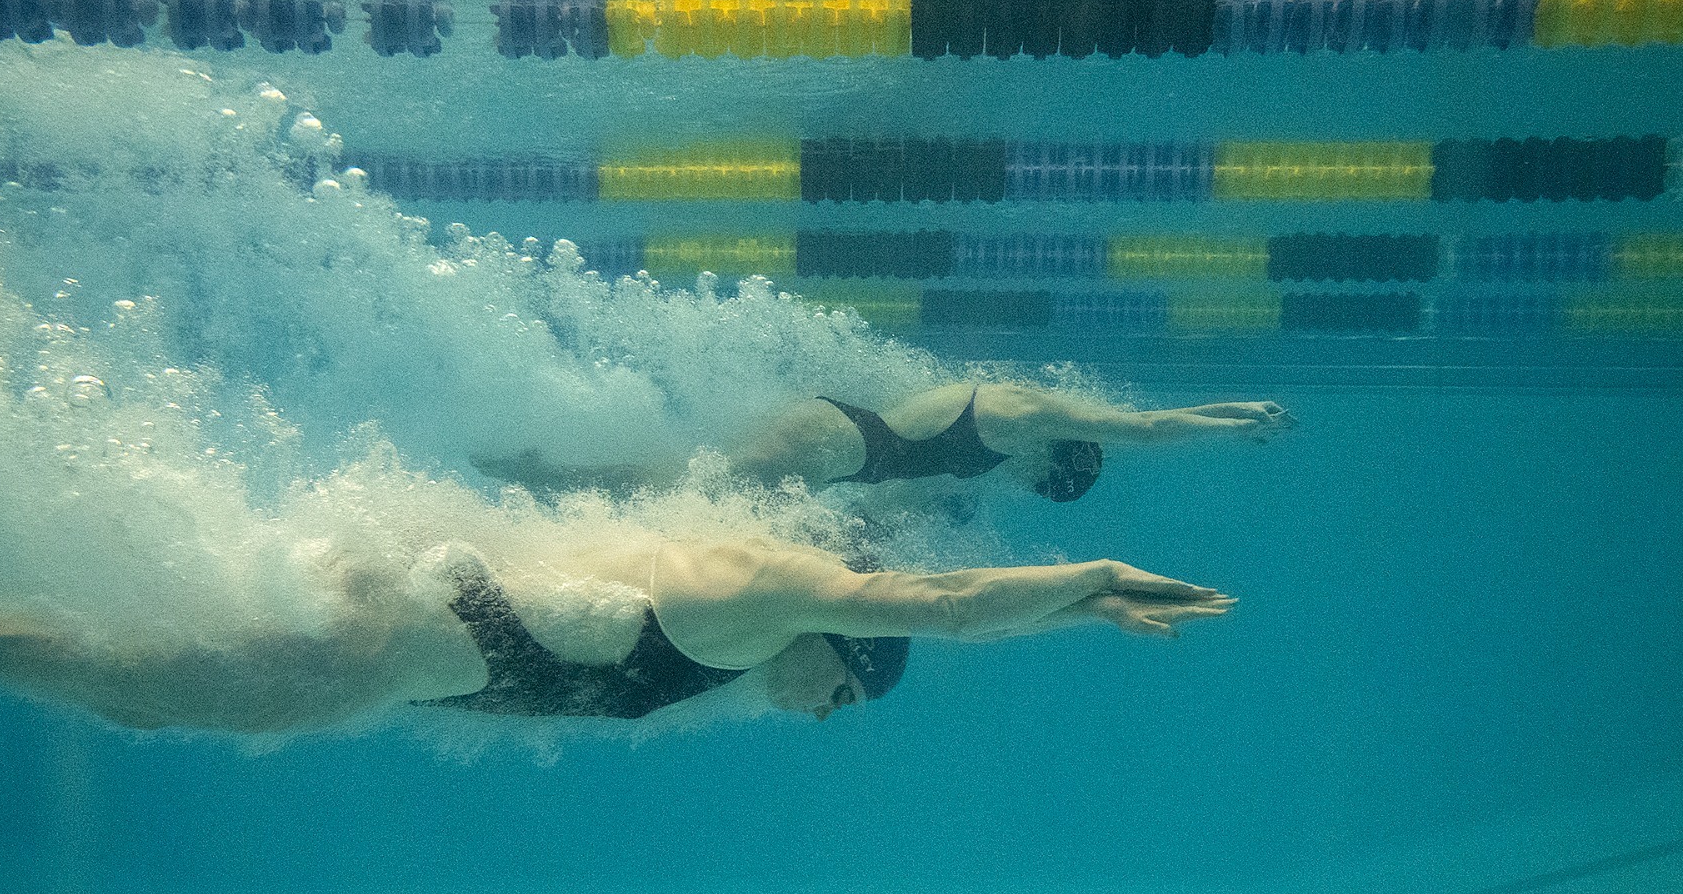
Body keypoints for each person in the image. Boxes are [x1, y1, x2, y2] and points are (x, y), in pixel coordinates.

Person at [0, 531, 1233, 735]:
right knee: (131, 693)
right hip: (407, 629)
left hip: (416, 620)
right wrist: (1091, 584)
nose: (831, 714)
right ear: (841, 645)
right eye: (852, 692)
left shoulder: (729, 663)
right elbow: (948, 607)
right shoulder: (764, 596)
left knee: (133, 672)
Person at [478, 382, 1296, 501]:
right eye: (1052, 487)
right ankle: (549, 477)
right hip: (840, 441)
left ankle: (552, 475)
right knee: (699, 489)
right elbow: (1147, 428)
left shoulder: (1006, 453)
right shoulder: (1019, 415)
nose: (1034, 492)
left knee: (689, 484)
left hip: (845, 455)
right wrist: (1234, 421)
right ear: (1059, 452)